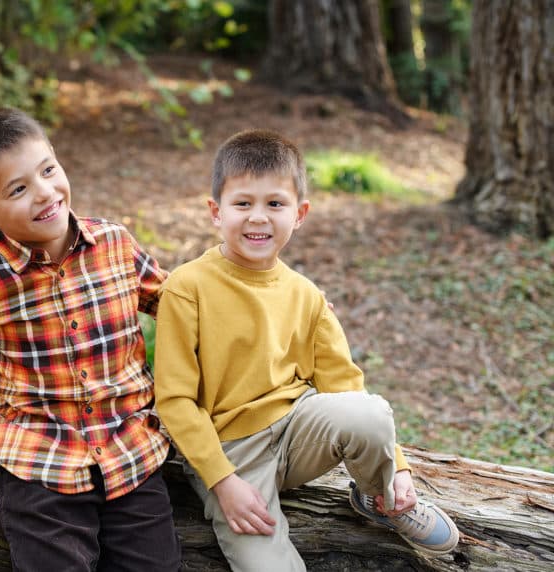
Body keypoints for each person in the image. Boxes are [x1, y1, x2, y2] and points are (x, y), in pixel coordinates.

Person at [153, 129, 459, 571]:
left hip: (297, 429)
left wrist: (401, 467)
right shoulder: (187, 287)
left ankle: (382, 497)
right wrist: (223, 482)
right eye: (243, 204)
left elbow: (344, 385)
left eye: (275, 204)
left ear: (300, 214)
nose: (258, 218)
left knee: (368, 414)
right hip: (230, 453)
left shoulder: (306, 295)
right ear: (216, 212)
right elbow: (176, 399)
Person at [0, 107, 180, 571]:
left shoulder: (113, 244)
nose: (45, 193)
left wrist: (280, 314)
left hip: (132, 454)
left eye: (49, 170)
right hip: (39, 467)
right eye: (19, 189)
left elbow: (176, 305)